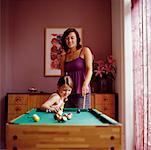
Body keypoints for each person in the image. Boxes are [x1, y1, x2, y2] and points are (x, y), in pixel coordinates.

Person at [61, 28, 93, 108]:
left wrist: (85, 84)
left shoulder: (85, 50)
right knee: (67, 117)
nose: (69, 40)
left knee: (81, 117)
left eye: (72, 38)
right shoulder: (63, 57)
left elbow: (90, 69)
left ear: (77, 39)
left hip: (82, 90)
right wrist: (61, 92)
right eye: (67, 38)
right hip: (68, 93)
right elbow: (62, 76)